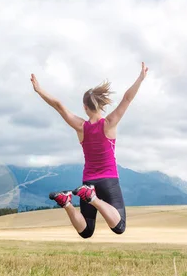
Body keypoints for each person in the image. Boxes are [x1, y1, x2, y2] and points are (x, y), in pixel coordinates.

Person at [30, 62, 148, 238]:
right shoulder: (109, 123)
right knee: (120, 226)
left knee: (86, 231)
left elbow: (58, 105)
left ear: (85, 107)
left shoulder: (80, 127)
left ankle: (67, 202)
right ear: (100, 105)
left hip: (88, 181)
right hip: (108, 180)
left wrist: (39, 90)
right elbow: (127, 99)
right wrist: (141, 78)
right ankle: (93, 198)